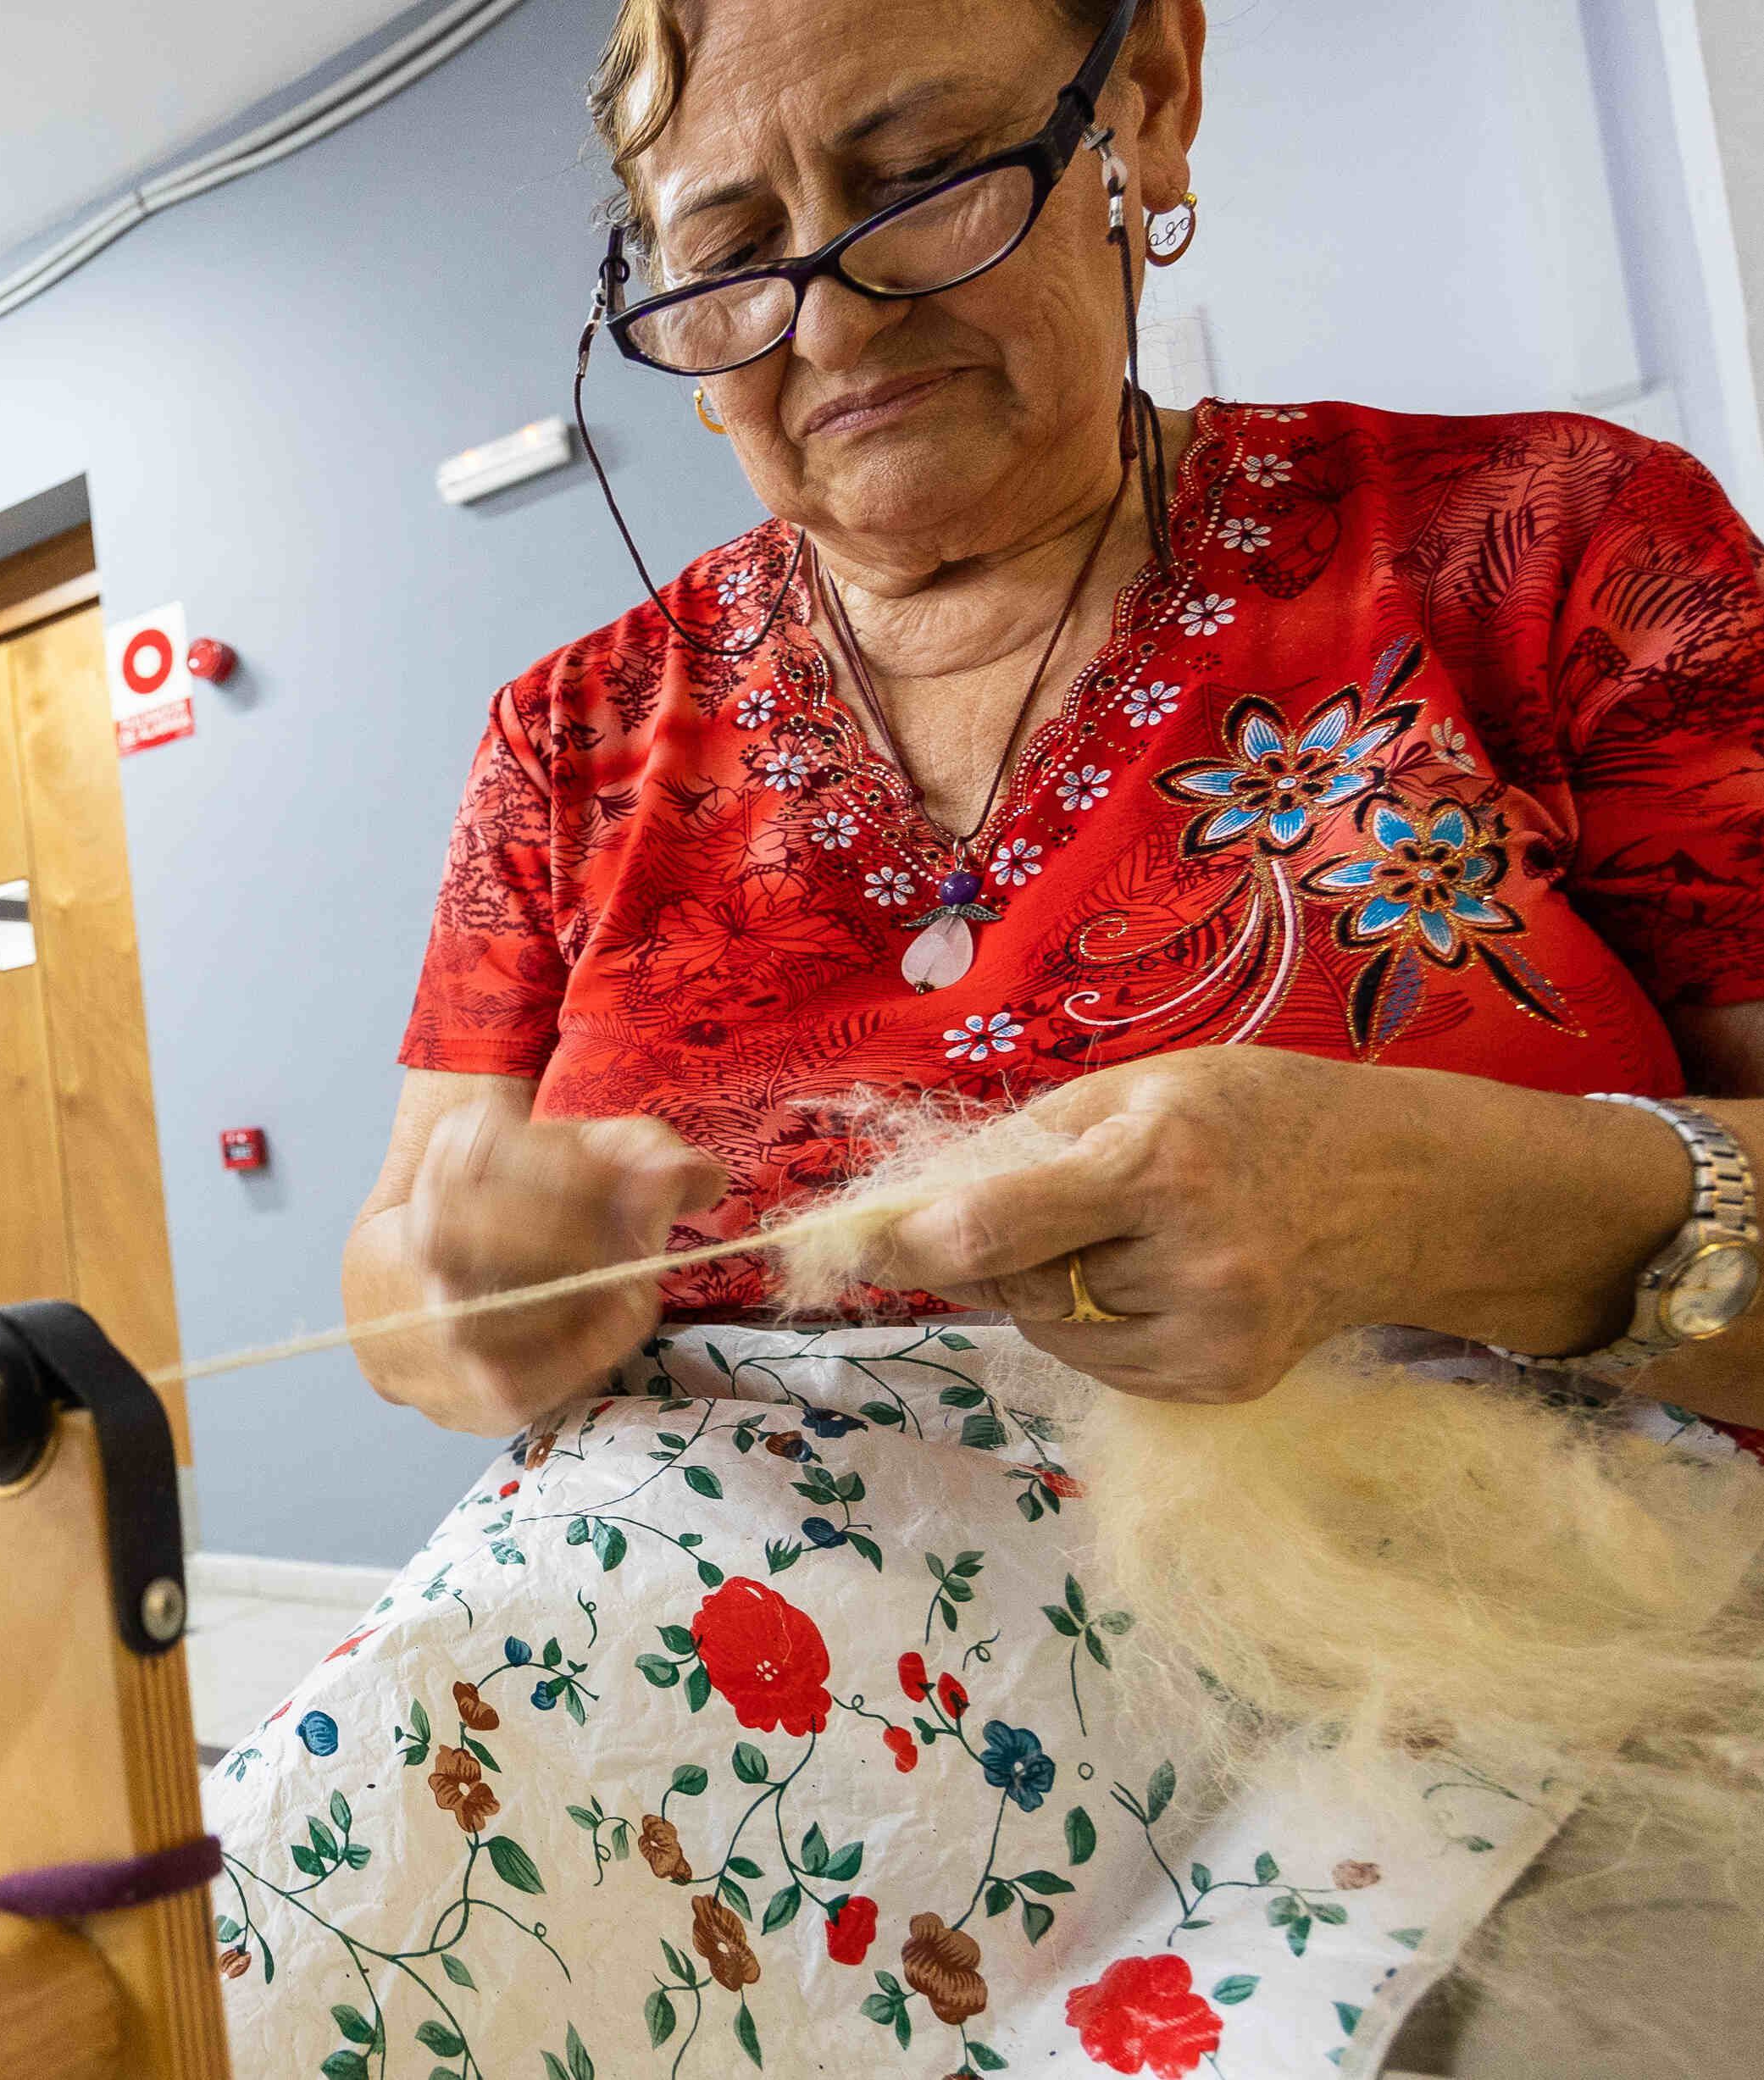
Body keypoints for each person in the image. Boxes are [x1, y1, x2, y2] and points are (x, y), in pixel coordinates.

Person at [213, 2, 1764, 2076]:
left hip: (1502, 1651)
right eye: (729, 251)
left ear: (1147, 105)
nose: (829, 316)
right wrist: (468, 1283)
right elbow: (397, 1279)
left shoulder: (1552, 548)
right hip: (721, 1692)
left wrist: (1415, 1204)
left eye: (923, 177)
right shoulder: (572, 737)